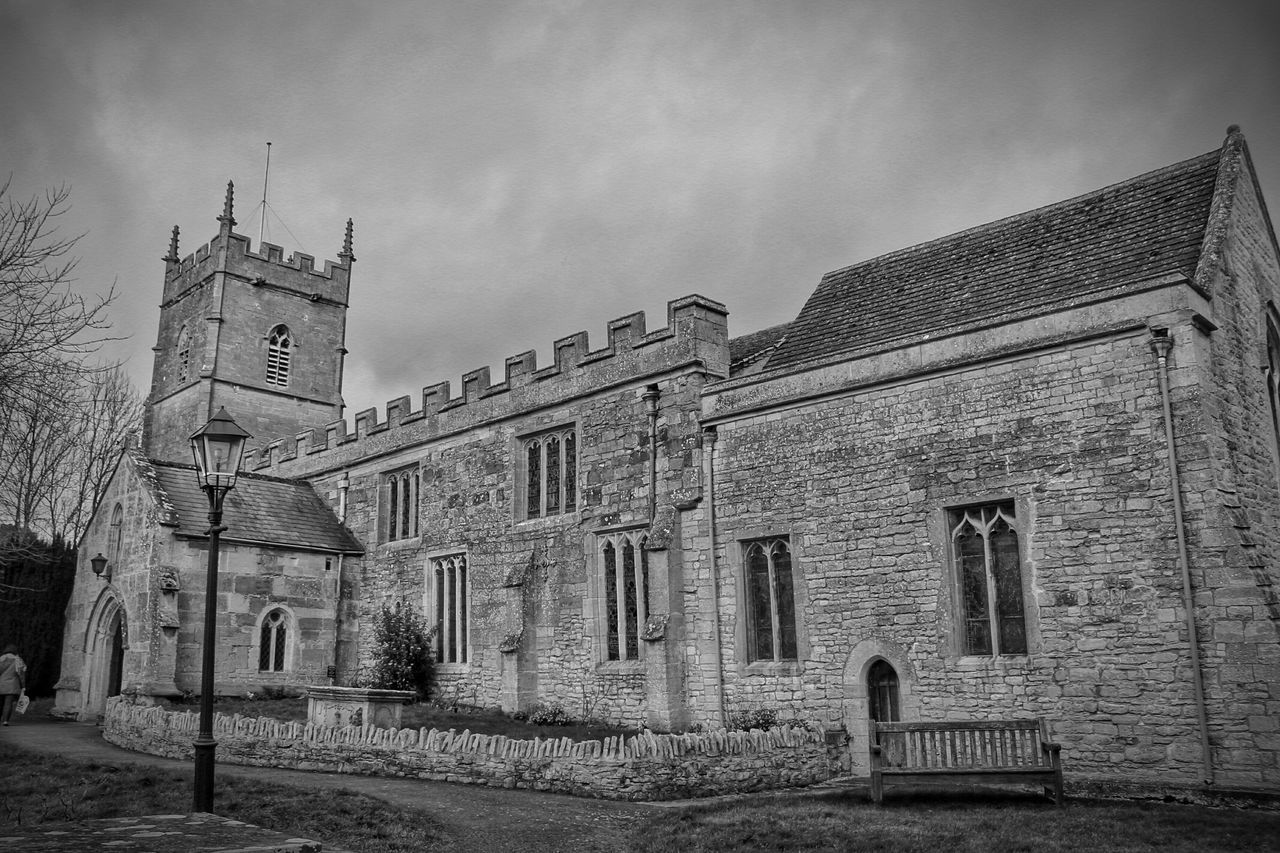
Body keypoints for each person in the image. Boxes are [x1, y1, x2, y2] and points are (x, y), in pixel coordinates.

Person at [0, 645, 26, 725]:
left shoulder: (1, 659)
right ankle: (5, 721)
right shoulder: (18, 660)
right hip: (12, 685)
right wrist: (23, 686)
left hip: (0, 684)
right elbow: (21, 675)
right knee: (8, 703)